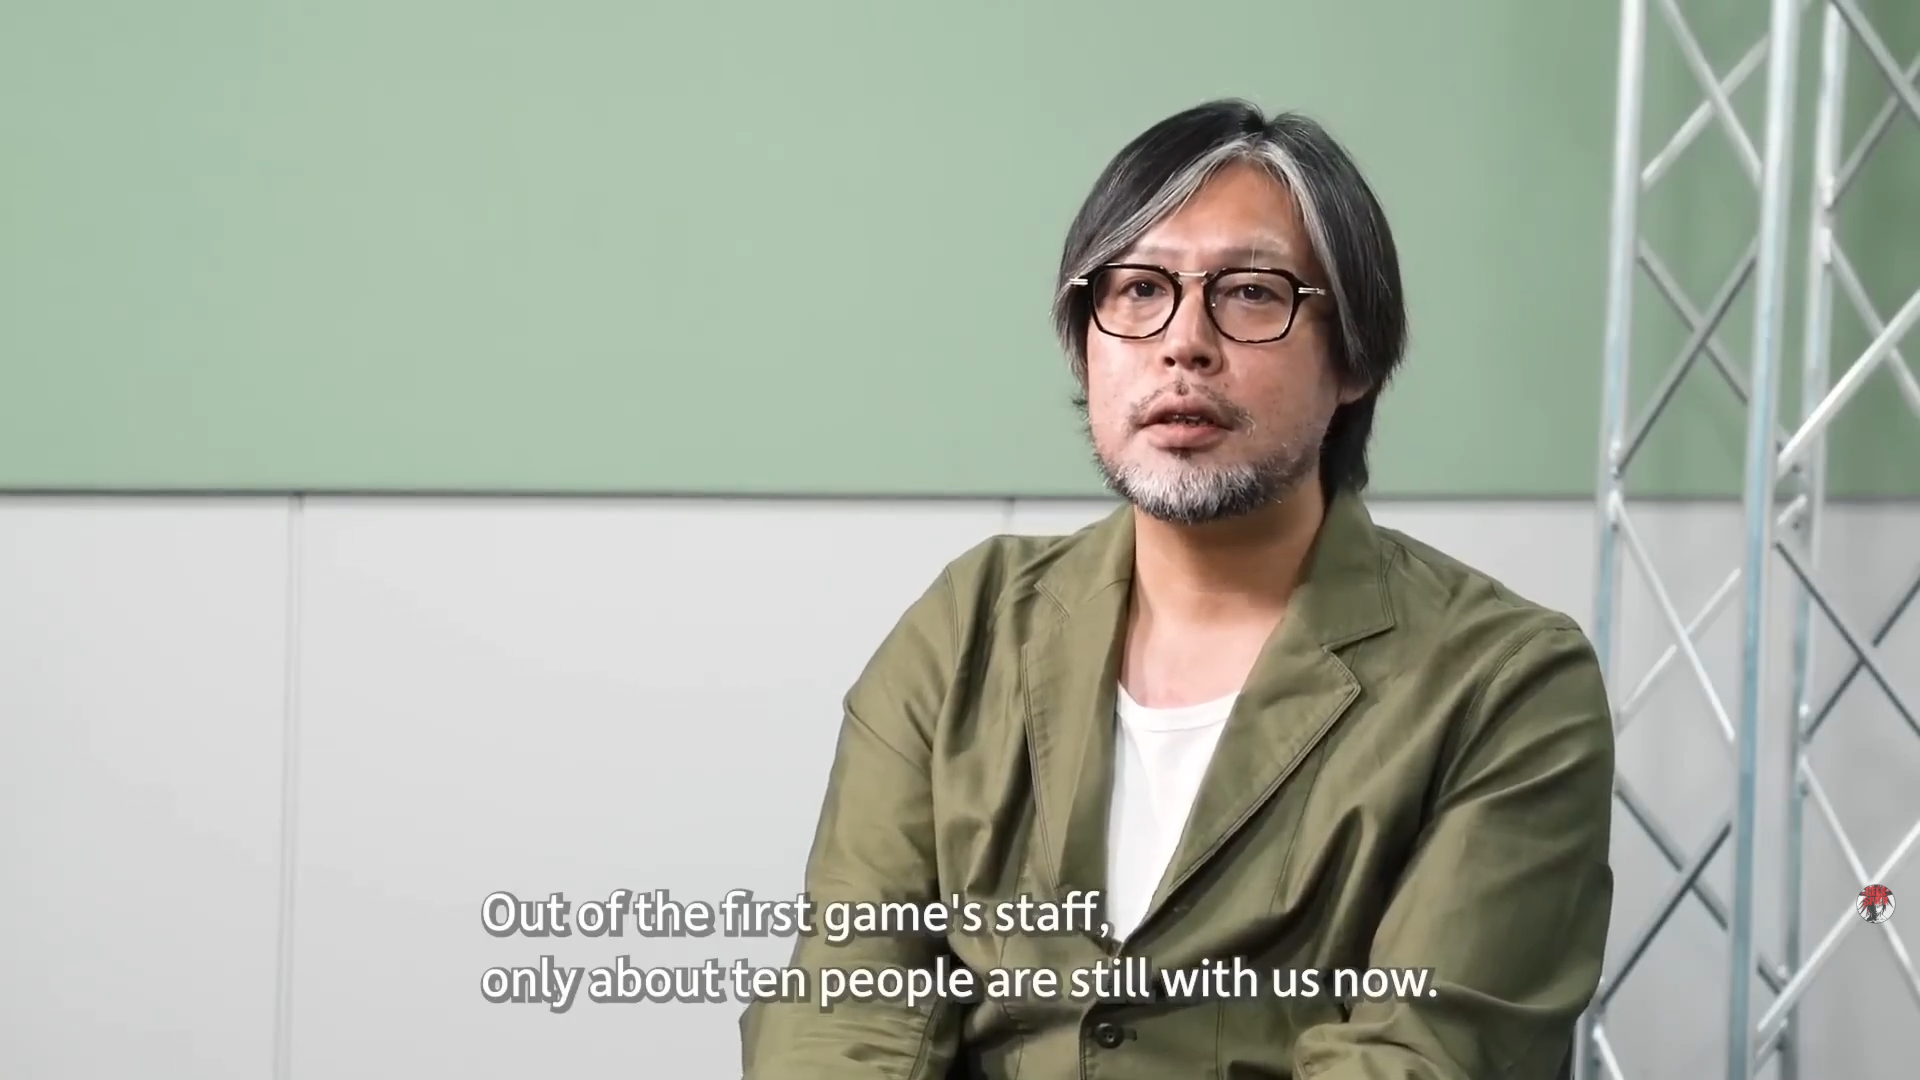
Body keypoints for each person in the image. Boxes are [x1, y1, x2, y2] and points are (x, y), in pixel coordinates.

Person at [739, 99, 1614, 1079]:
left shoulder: (1506, 682)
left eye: (1250, 293)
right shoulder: (969, 626)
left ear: (1355, 358)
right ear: (1086, 340)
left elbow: (1422, 1056)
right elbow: (845, 1003)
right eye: (1139, 289)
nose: (1183, 342)